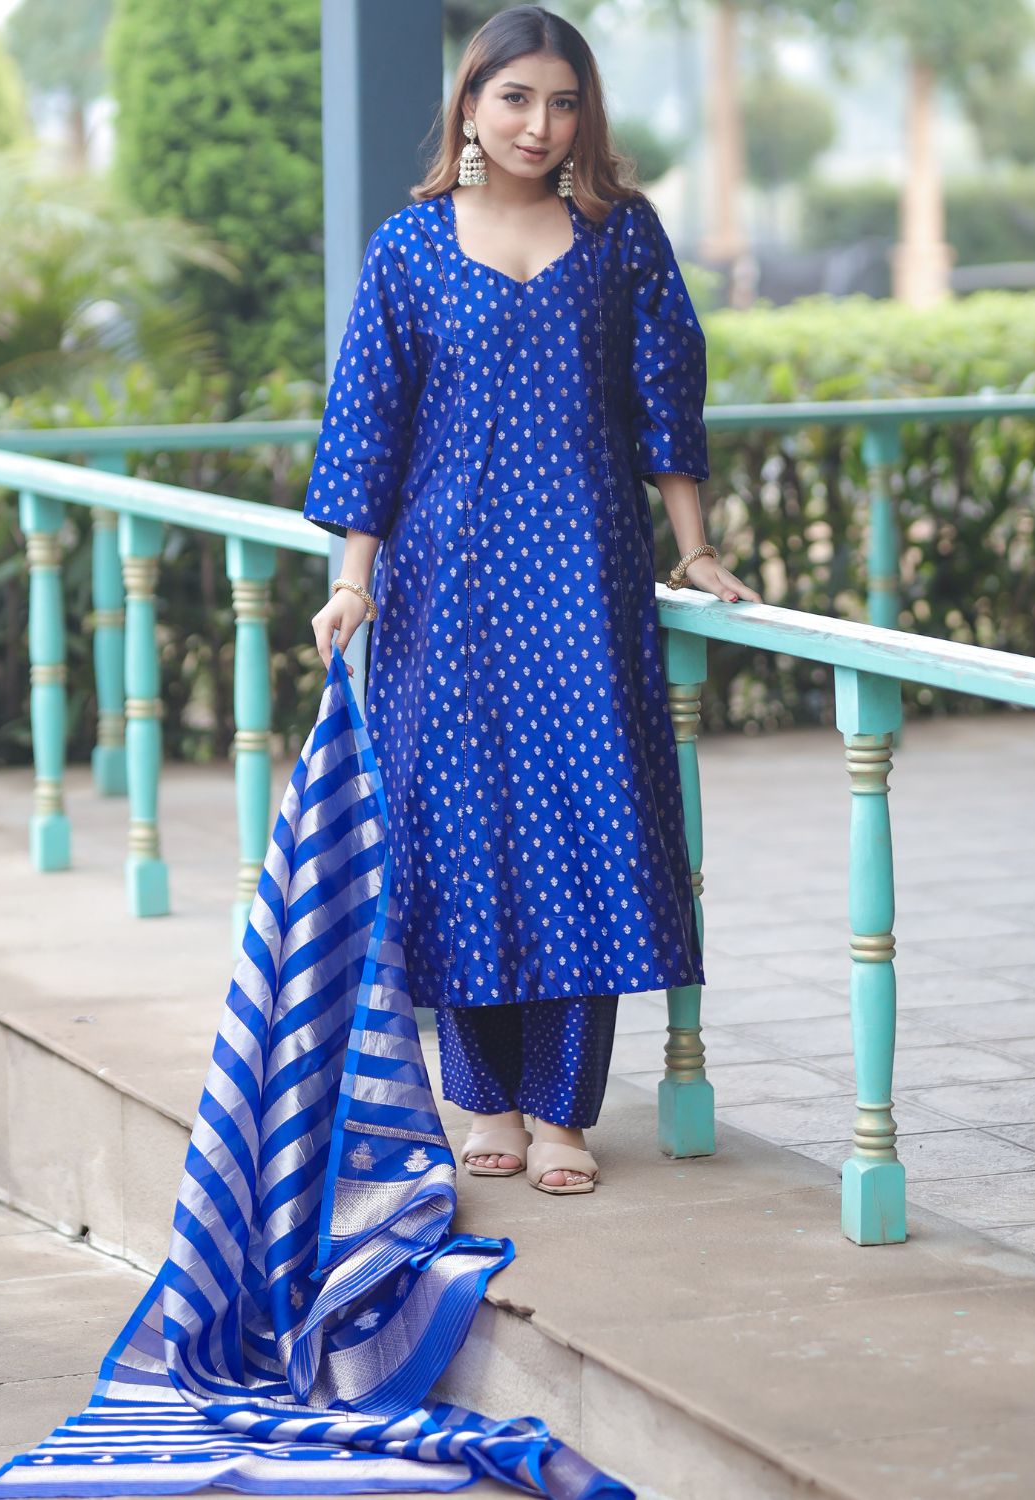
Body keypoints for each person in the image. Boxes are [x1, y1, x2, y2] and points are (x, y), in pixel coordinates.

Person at [305, 5, 759, 1198]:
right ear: (469, 105)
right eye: (515, 100)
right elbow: (372, 426)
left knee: (585, 829)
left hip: (587, 580)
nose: (538, 125)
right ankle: (485, 1096)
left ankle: (566, 1111)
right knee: (459, 835)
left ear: (584, 117)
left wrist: (696, 549)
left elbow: (669, 401)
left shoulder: (621, 237)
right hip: (440, 591)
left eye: (562, 104)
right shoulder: (408, 248)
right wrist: (353, 579)